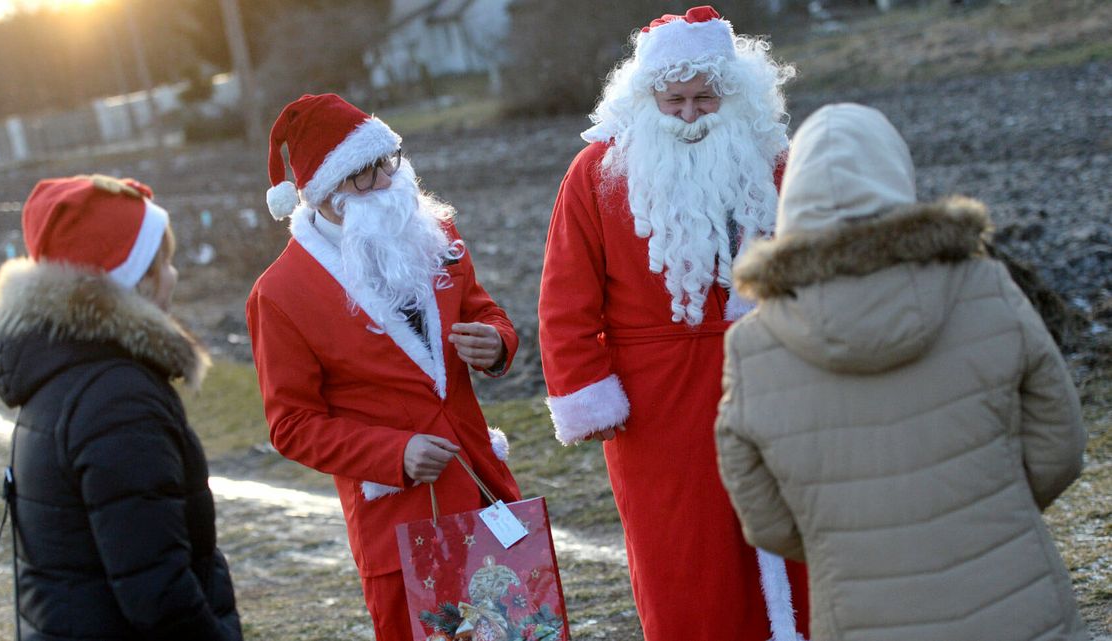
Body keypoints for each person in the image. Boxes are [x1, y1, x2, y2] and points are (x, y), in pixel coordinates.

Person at [716, 103, 1088, 641]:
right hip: (1019, 607)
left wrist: (848, 542)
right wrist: (989, 508)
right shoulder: (985, 287)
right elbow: (1061, 446)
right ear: (897, 173)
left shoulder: (752, 345)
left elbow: (765, 517)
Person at [537, 6, 810, 640]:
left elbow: (818, 270)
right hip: (655, 405)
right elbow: (565, 300)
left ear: (734, 94)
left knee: (788, 536)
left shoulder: (777, 162)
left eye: (704, 99)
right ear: (646, 96)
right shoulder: (595, 174)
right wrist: (588, 391)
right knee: (683, 559)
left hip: (773, 382)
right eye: (674, 100)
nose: (689, 116)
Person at [247, 93, 521, 641]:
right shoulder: (280, 293)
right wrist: (394, 454)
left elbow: (482, 309)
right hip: (398, 518)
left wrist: (497, 341)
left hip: (483, 487)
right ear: (322, 194)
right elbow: (291, 426)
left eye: (385, 165)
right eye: (360, 176)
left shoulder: (435, 232)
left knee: (522, 627)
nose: (382, 184)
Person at [0, 175, 243, 640]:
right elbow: (159, 593)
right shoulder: (117, 402)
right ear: (134, 282)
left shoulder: (62, 375)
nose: (174, 275)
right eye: (162, 262)